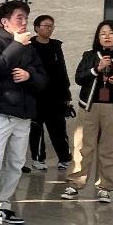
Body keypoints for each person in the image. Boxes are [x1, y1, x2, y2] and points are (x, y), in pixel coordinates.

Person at [0, 0, 47, 225]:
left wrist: (29, 75)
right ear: (5, 22)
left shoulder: (29, 46)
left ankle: (3, 205)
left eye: (26, 18)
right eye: (19, 18)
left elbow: (43, 78)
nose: (24, 22)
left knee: (16, 164)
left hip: (23, 114)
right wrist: (16, 44)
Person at [62, 21, 113, 203]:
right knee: (82, 147)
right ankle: (75, 184)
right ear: (98, 38)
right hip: (89, 108)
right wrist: (96, 69)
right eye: (103, 33)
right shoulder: (89, 56)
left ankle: (105, 187)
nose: (107, 36)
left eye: (111, 33)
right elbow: (79, 78)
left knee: (109, 150)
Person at [29, 14, 73, 171]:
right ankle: (38, 159)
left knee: (58, 128)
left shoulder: (56, 46)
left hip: (55, 95)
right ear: (36, 28)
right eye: (46, 26)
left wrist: (66, 94)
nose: (49, 29)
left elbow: (62, 70)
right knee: (36, 129)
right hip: (36, 94)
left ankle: (64, 158)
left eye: (51, 26)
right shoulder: (29, 46)